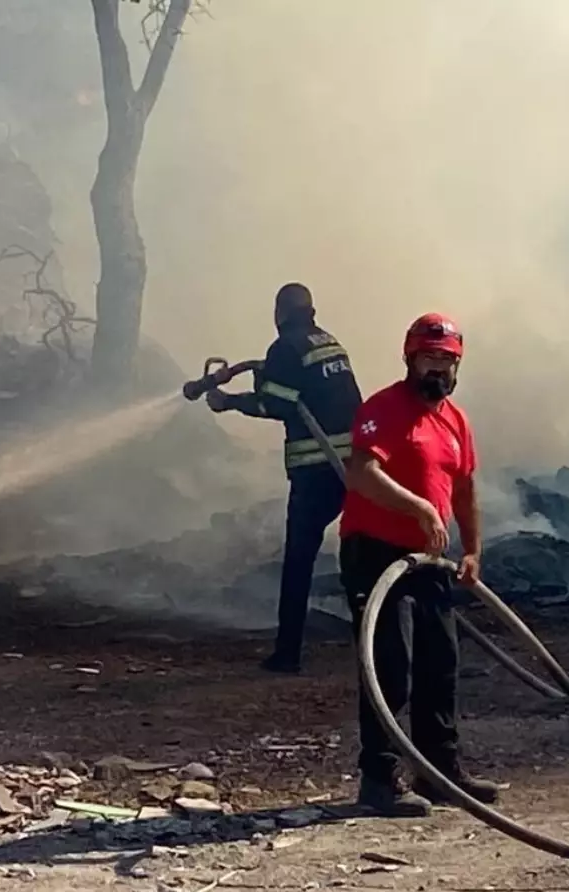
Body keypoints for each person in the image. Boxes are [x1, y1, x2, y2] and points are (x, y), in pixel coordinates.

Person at [338, 312, 501, 817]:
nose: (439, 371)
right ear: (410, 358)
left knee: (441, 662)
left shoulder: (455, 420)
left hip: (429, 559)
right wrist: (421, 508)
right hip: (375, 551)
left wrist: (471, 549)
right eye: (430, 359)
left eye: (447, 362)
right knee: (389, 663)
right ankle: (379, 779)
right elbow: (362, 473)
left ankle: (440, 773)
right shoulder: (383, 409)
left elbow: (466, 487)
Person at [206, 282, 362, 674]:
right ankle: (372, 641)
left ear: (279, 312)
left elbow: (273, 404)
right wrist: (259, 372)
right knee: (361, 555)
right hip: (355, 467)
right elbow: (305, 390)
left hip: (316, 470)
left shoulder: (286, 348)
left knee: (298, 561)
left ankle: (287, 654)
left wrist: (229, 403)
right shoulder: (328, 342)